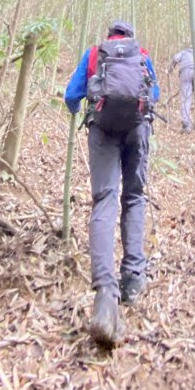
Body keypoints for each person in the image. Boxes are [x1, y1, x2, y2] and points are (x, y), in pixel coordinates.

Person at [65, 20, 160, 347]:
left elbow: (71, 94)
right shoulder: (142, 55)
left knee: (105, 199)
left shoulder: (94, 54)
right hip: (137, 129)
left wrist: (79, 109)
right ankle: (133, 278)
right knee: (133, 198)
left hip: (102, 130)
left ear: (109, 36)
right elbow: (155, 94)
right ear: (129, 36)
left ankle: (106, 292)